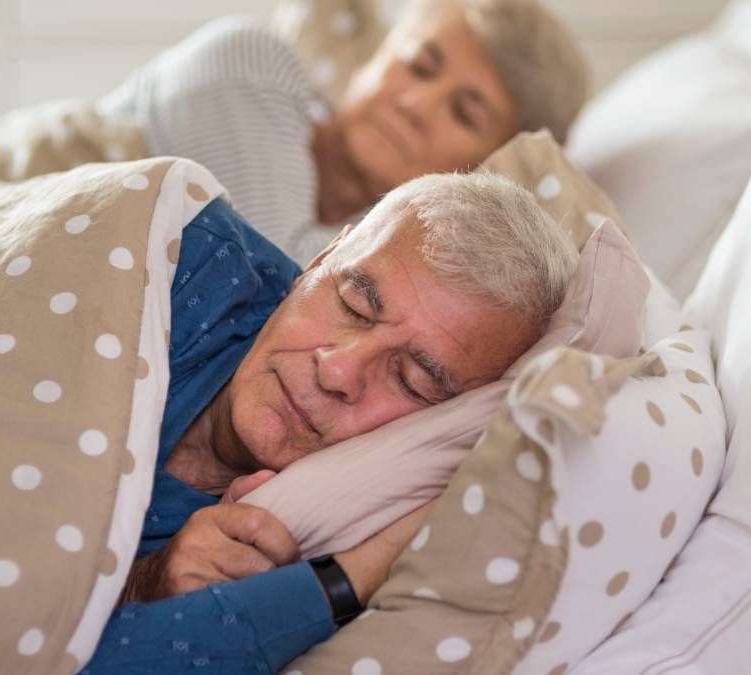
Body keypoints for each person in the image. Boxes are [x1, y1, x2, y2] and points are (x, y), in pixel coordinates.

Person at [81, 171, 579, 673]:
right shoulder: (183, 259)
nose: (337, 369)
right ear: (319, 261)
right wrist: (140, 584)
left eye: (412, 381)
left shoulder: (327, 540)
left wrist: (346, 577)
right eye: (353, 305)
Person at [99, 0, 588, 264]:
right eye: (419, 65)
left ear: (491, 166)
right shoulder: (250, 61)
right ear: (374, 58)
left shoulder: (395, 249)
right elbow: (263, 280)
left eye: (464, 114)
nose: (415, 105)